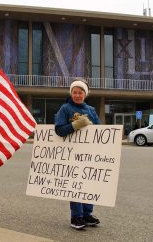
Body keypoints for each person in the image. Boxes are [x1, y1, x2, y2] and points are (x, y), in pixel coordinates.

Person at [54, 78, 101, 230]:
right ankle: (76, 216)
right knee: (76, 185)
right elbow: (59, 130)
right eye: (74, 92)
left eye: (80, 92)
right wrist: (75, 125)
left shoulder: (91, 110)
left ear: (85, 94)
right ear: (71, 93)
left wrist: (92, 127)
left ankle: (87, 213)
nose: (77, 95)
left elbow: (100, 131)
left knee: (88, 183)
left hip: (89, 153)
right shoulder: (65, 108)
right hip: (71, 154)